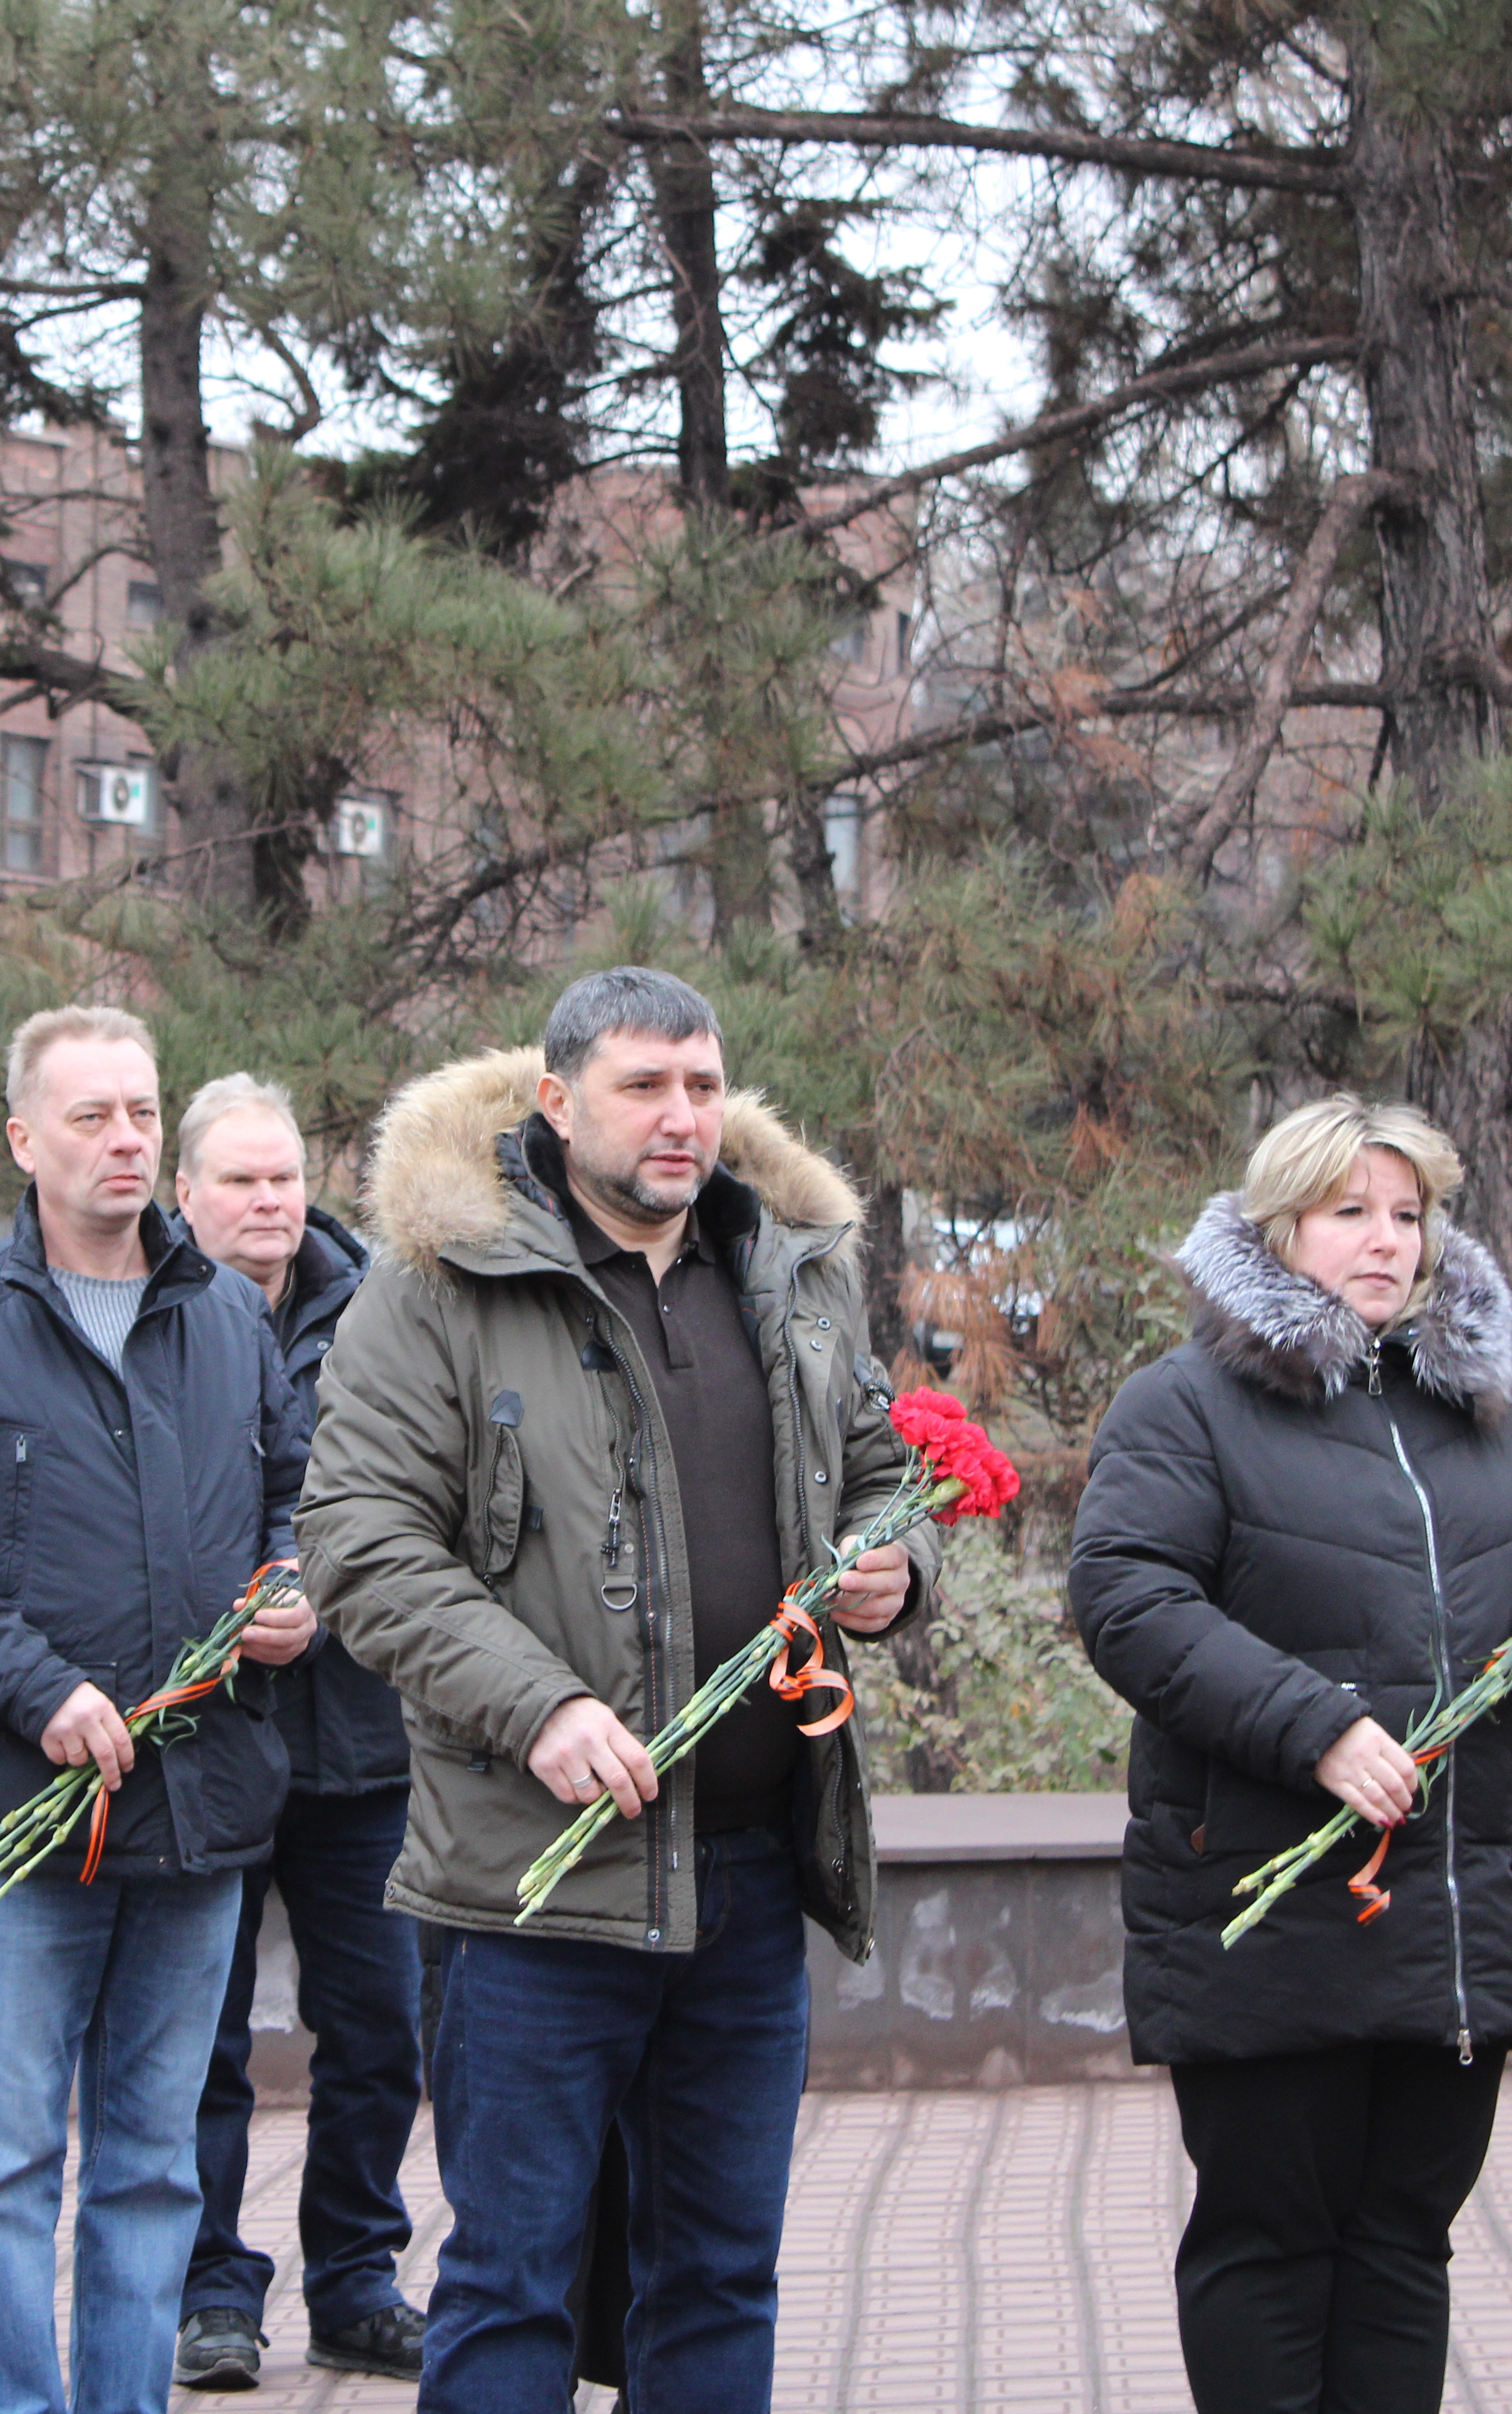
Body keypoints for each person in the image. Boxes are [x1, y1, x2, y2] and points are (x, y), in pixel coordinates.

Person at [299, 966, 931, 2410]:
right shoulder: (440, 1283)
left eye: (704, 1085)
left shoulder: (790, 1269)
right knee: (513, 2280)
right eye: (644, 1085)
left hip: (751, 1873)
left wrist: (893, 1563)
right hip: (536, 1883)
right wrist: (542, 1704)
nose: (682, 1117)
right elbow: (359, 1542)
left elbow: (884, 1467)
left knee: (717, 2270)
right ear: (555, 1097)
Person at [1068, 1095, 1512, 2414]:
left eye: (1408, 1213)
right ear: (1278, 1228)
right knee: (1272, 2243)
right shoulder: (1188, 1402)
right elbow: (1127, 1596)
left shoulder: (1485, 1404)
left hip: (1456, 1901)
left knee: (1401, 2240)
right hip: (1271, 1899)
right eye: (1350, 1212)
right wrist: (1315, 1725)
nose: (1386, 1240)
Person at [0, 1005, 319, 2414]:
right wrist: (37, 1687)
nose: (123, 1138)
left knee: (155, 2161)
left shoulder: (231, 1317)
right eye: (91, 1115)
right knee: (2, 2165)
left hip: (198, 1808)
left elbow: (294, 1495)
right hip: (20, 1820)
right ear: (22, 1139)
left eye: (140, 1112)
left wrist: (294, 1589)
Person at [163, 1075, 425, 2392]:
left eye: (286, 1177)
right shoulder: (154, 1316)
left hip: (368, 1736)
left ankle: (356, 2280)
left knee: (381, 2026)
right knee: (202, 2038)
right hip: (211, 1733)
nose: (271, 1201)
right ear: (186, 1194)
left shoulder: (385, 1305)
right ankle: (212, 2291)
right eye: (241, 1180)